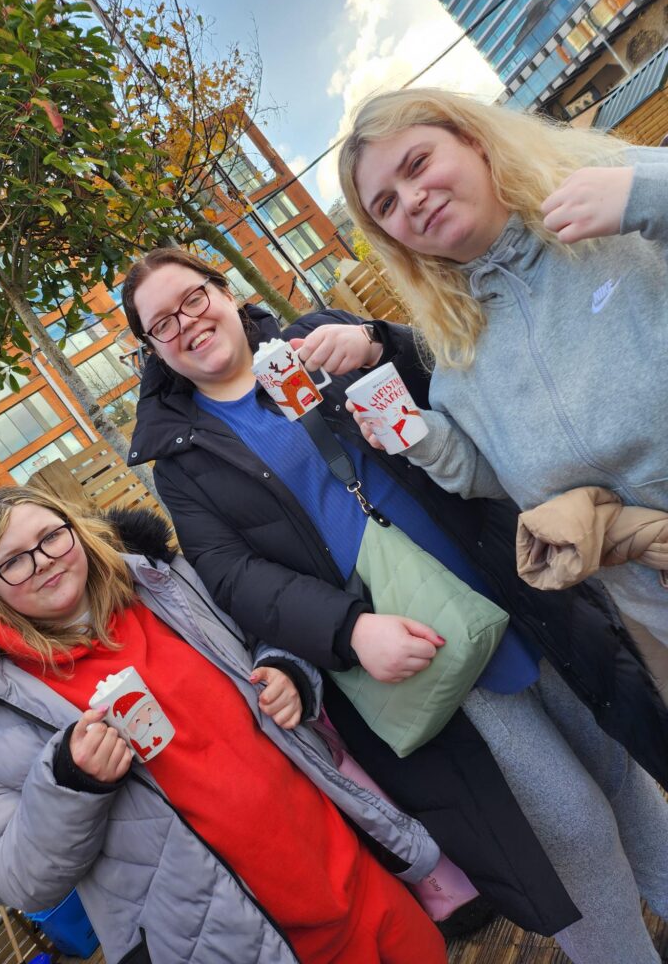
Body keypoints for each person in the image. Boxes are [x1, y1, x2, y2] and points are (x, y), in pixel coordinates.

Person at [123, 247, 668, 964]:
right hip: (420, 648)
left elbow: (453, 387)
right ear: (153, 349)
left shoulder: (318, 339)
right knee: (570, 830)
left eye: (193, 298)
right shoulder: (184, 460)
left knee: (618, 768)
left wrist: (380, 342)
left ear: (225, 292)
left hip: (509, 582)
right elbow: (232, 575)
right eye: (162, 323)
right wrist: (349, 630)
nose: (187, 323)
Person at [0, 486, 447, 964]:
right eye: (13, 561)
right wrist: (69, 784)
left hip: (354, 875)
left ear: (74, 530)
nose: (42, 563)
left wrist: (287, 671)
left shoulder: (167, 584)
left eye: (50, 537)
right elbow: (10, 881)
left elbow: (265, 630)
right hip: (231, 942)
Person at [336, 86, 668, 702]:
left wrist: (645, 197)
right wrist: (426, 440)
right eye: (386, 203)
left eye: (418, 164)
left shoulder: (610, 188)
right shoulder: (458, 351)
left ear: (475, 140)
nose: (412, 199)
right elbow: (497, 478)